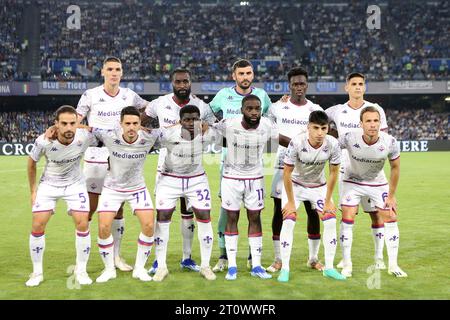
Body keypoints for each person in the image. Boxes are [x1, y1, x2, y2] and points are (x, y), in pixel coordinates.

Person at [76, 57, 149, 272]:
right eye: (110, 69)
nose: (114, 73)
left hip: (121, 159)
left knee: (118, 210)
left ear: (122, 72)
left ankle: (116, 257)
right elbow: (76, 120)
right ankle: (83, 260)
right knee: (89, 210)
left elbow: (150, 109)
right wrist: (90, 131)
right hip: (95, 158)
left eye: (118, 69)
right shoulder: (91, 95)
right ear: (102, 72)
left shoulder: (129, 95)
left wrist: (141, 126)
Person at [141, 68, 216, 274]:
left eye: (185, 81)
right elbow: (143, 121)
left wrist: (206, 126)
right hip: (168, 167)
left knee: (188, 213)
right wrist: (145, 130)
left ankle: (187, 258)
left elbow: (212, 126)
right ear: (172, 83)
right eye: (178, 82)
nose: (182, 85)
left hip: (193, 167)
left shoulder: (201, 105)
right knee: (164, 214)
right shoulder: (159, 103)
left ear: (191, 82)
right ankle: (159, 261)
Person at [211, 94, 288, 280]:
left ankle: (256, 265)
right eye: (250, 109)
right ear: (242, 110)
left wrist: (303, 145)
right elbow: (208, 130)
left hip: (255, 178)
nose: (254, 112)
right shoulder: (228, 124)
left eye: (257, 109)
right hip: (231, 178)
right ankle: (232, 266)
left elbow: (281, 140)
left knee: (255, 217)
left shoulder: (267, 125)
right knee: (232, 218)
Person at [209, 59, 272, 272]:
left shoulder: (262, 96)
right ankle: (223, 255)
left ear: (253, 75)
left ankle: (251, 258)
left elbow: (270, 121)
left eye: (248, 73)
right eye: (241, 73)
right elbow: (209, 115)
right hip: (229, 164)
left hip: (254, 164)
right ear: (233, 76)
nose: (245, 77)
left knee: (254, 213)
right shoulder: (222, 95)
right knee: (227, 213)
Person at [26, 105, 97, 287]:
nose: (68, 128)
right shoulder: (43, 141)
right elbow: (31, 164)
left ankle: (81, 271)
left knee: (83, 222)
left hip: (75, 184)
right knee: (38, 223)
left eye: (72, 123)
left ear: (77, 124)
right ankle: (37, 272)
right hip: (49, 184)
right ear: (56, 124)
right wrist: (33, 191)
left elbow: (104, 132)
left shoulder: (85, 137)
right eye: (63, 123)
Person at [325, 72, 389, 270]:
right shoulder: (337, 111)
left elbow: (383, 138)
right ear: (347, 87)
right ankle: (346, 259)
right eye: (353, 84)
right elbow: (315, 117)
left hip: (372, 173)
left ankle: (379, 258)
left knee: (377, 215)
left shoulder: (375, 109)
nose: (358, 87)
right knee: (347, 215)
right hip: (347, 172)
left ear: (365, 87)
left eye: (361, 84)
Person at [266, 67, 324, 273]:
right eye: (295, 84)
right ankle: (278, 258)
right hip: (283, 167)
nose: (299, 87)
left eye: (302, 83)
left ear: (306, 85)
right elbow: (270, 134)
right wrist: (297, 145)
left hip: (310, 169)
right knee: (279, 212)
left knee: (313, 212)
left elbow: (322, 134)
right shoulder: (276, 108)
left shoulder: (315, 109)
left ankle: (313, 258)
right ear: (289, 86)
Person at [338, 106, 407, 278]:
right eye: (368, 121)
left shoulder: (389, 141)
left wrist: (391, 196)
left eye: (376, 121)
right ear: (361, 124)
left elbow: (396, 168)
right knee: (348, 216)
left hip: (377, 182)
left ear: (380, 123)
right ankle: (347, 264)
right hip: (351, 180)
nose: (372, 124)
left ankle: (391, 264)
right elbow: (329, 145)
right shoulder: (348, 137)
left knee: (390, 217)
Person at [93, 107, 160, 283]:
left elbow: (174, 131)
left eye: (135, 123)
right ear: (120, 124)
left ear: (140, 125)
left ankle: (139, 269)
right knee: (104, 227)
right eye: (127, 123)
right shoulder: (109, 136)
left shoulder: (150, 137)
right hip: (112, 188)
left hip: (137, 187)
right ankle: (109, 269)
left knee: (148, 224)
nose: (131, 127)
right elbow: (88, 128)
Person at [278, 111, 346, 282]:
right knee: (288, 220)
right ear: (308, 127)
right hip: (295, 185)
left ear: (328, 129)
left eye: (323, 128)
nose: (320, 132)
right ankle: (285, 268)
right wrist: (291, 203)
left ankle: (329, 268)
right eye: (315, 128)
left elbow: (333, 173)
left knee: (330, 220)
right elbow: (286, 173)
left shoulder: (332, 144)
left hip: (319, 186)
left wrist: (329, 200)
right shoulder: (297, 142)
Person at [152, 105, 217, 282]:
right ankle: (161, 266)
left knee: (204, 216)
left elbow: (229, 129)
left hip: (196, 179)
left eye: (195, 119)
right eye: (187, 119)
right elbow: (145, 139)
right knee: (163, 218)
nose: (191, 123)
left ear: (200, 120)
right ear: (180, 121)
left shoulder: (208, 133)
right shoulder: (167, 134)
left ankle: (205, 266)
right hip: (170, 179)